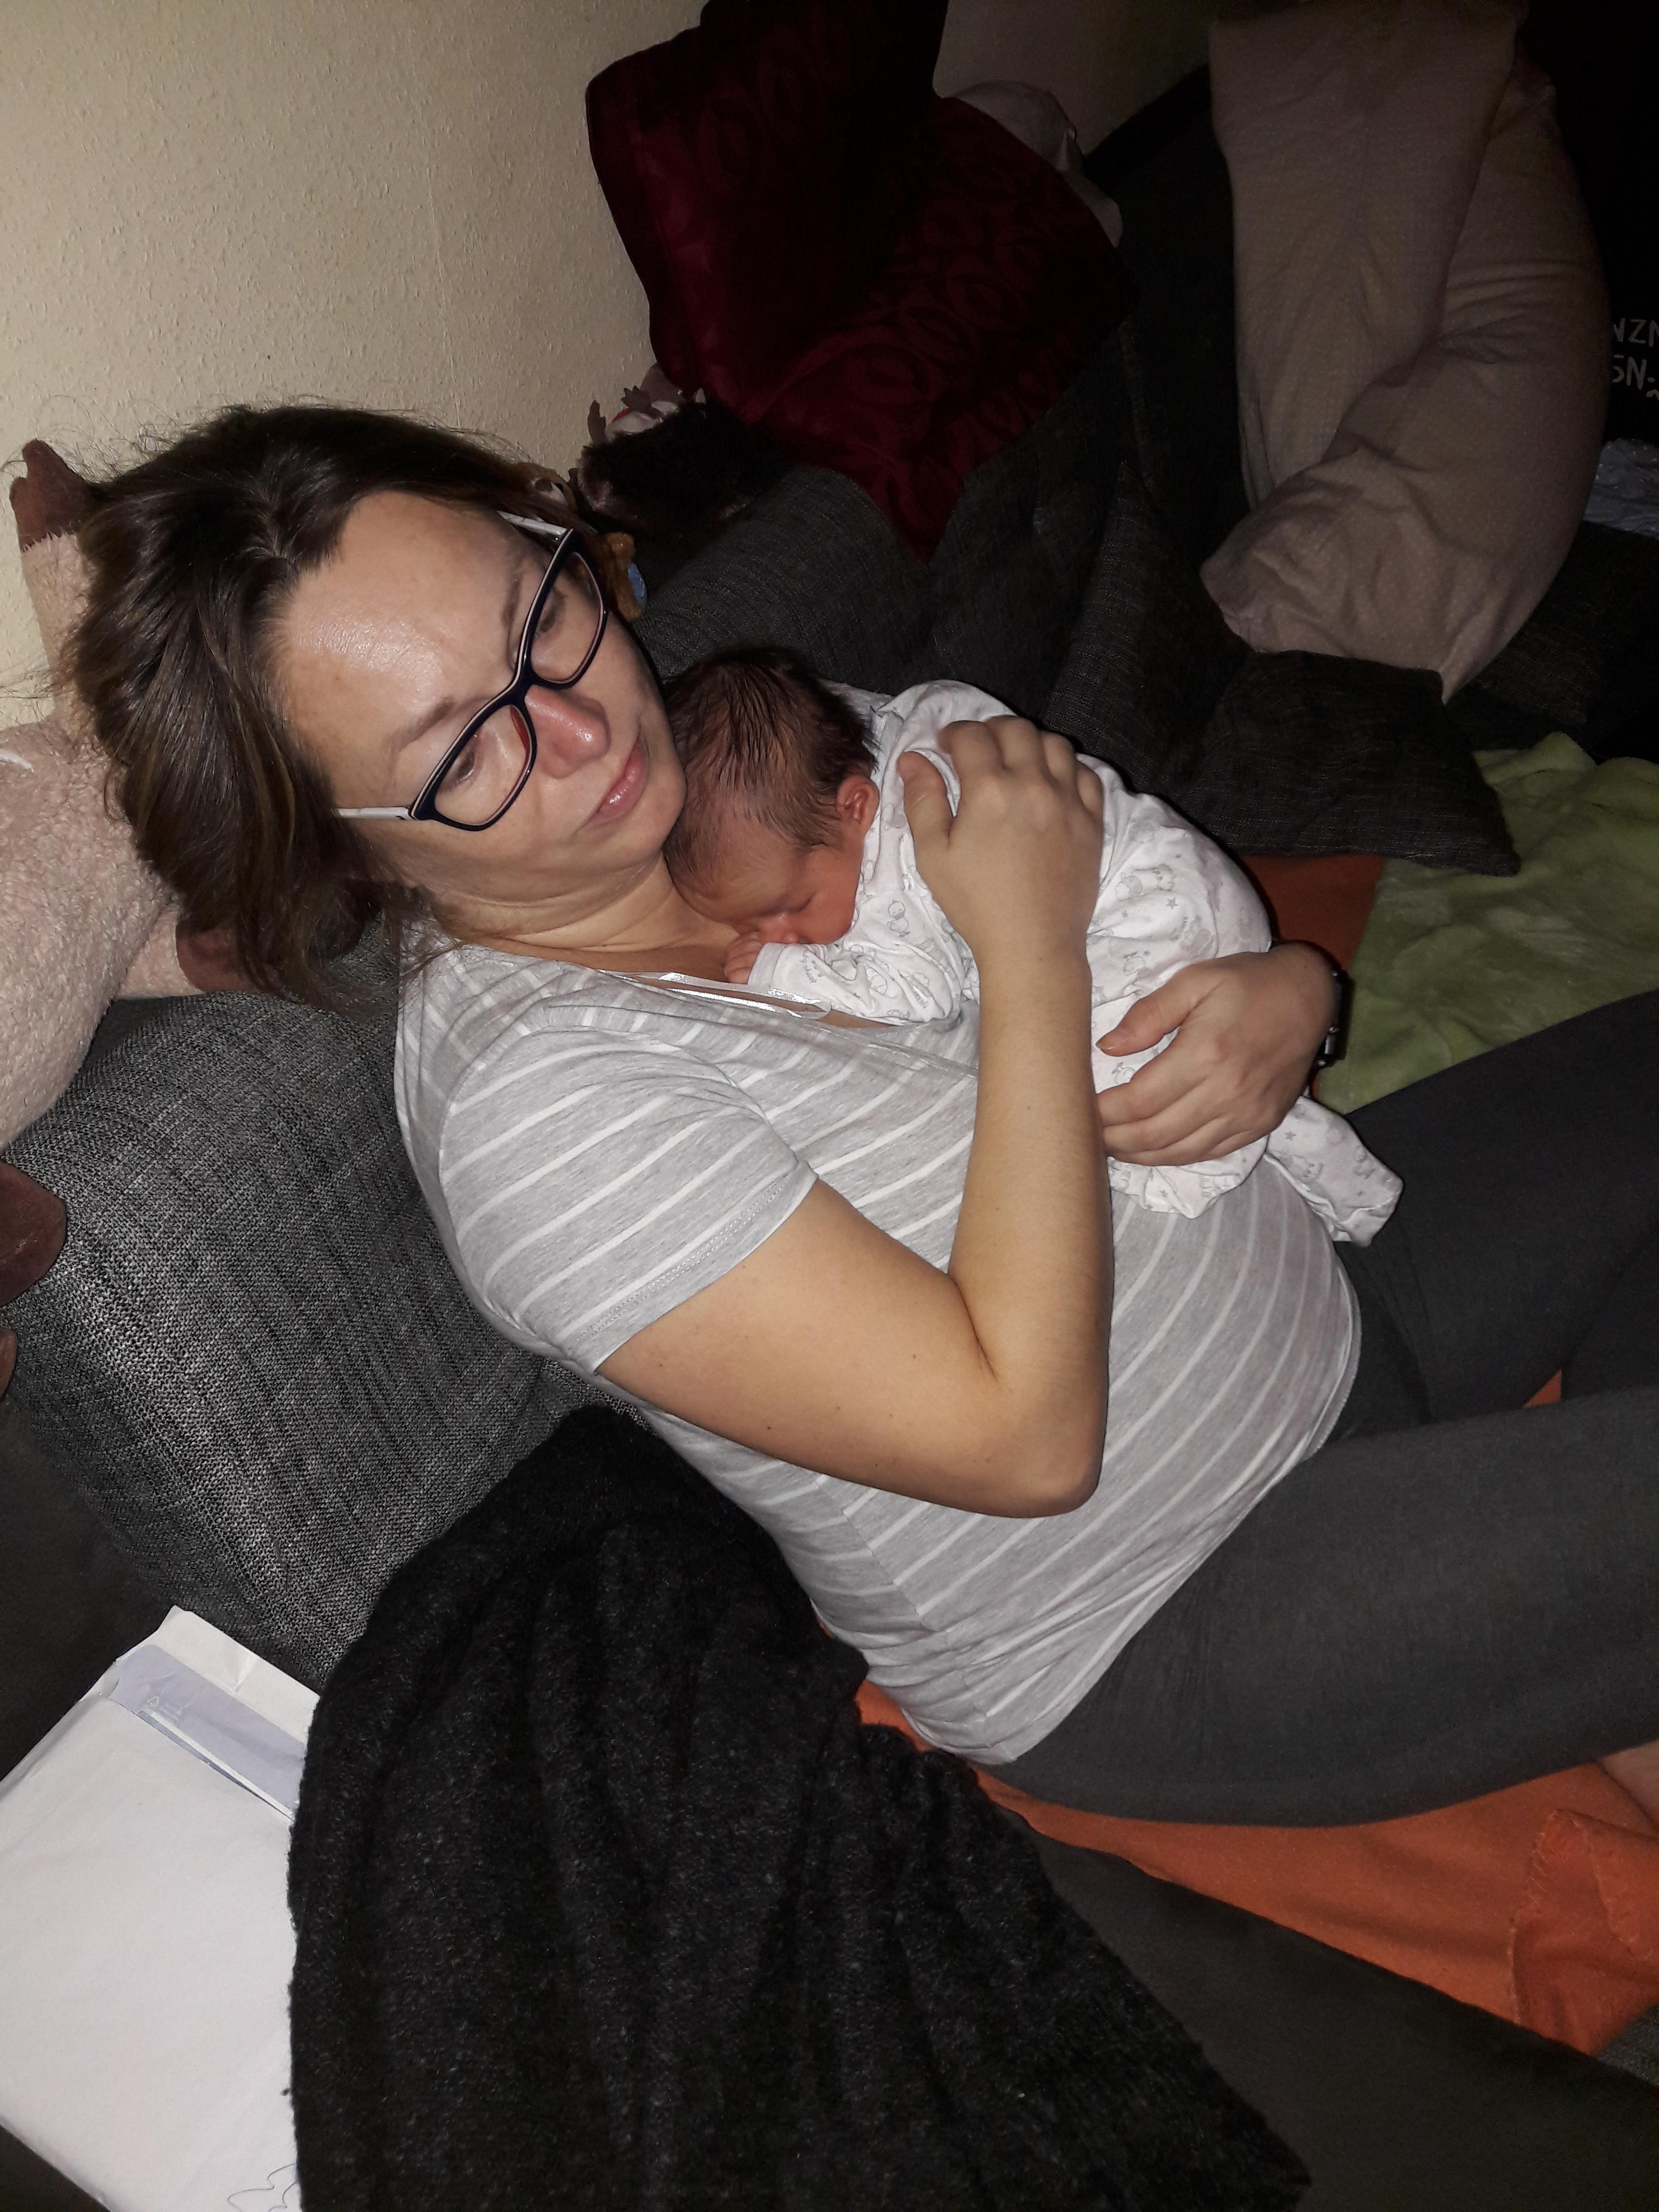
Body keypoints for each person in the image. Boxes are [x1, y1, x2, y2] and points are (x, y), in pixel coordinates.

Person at [69, 404, 1659, 1832]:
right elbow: (1020, 1437)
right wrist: (1026, 942)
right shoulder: (533, 1114)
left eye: (538, 614)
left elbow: (1129, 874)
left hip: (1334, 1280)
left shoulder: (731, 758)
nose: (583, 724)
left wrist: (1286, 988)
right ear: (353, 851)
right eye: (469, 748)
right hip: (1175, 1599)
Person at [662, 644, 1401, 1240]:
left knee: (1128, 1098)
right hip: (1192, 880)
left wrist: (783, 969)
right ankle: (1331, 1171)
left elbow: (915, 993)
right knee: (1189, 1077)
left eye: (789, 908)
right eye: (752, 928)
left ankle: (1286, 1171)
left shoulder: (903, 844)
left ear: (856, 805)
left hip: (1146, 922)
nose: (780, 934)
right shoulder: (908, 723)